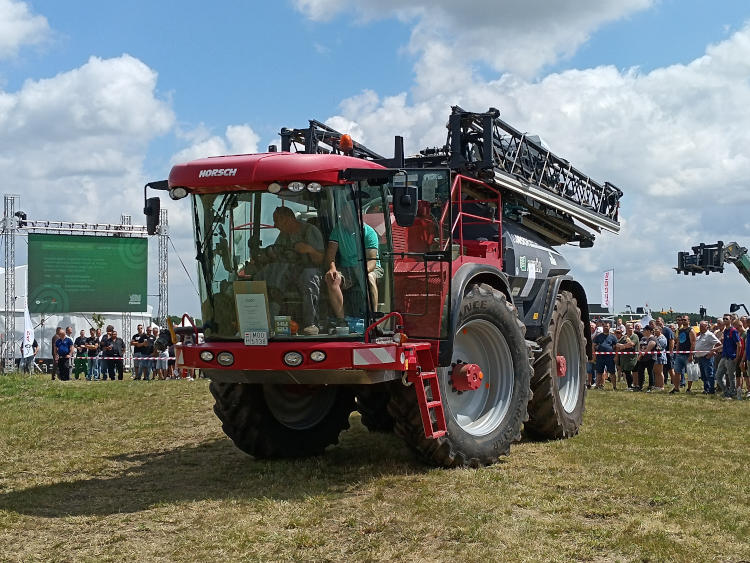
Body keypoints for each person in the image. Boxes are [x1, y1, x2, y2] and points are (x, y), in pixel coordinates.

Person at [250, 206, 324, 335]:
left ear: (289, 220)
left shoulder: (310, 231)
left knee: (309, 278)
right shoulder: (284, 235)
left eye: (277, 221)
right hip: (288, 270)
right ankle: (262, 321)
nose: (275, 225)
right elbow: (280, 251)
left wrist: (309, 250)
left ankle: (311, 323)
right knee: (267, 274)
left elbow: (321, 259)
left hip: (307, 269)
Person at [324, 214, 383, 328]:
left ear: (356, 217)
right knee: (331, 279)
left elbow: (372, 261)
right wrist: (332, 268)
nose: (342, 218)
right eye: (342, 215)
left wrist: (360, 273)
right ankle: (341, 321)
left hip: (369, 267)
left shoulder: (369, 232)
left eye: (347, 215)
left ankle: (373, 319)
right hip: (348, 269)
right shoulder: (338, 230)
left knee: (369, 278)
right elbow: (330, 254)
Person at [715, 315, 741, 398]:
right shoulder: (725, 331)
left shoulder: (733, 331)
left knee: (731, 376)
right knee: (718, 376)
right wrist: (715, 349)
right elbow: (724, 345)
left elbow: (739, 345)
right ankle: (726, 391)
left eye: (726, 319)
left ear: (731, 320)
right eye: (724, 319)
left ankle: (732, 392)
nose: (724, 320)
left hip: (731, 357)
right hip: (724, 356)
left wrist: (737, 357)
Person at [672, 316, 696, 394]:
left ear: (688, 321)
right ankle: (676, 388)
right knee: (677, 371)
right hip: (680, 355)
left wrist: (691, 355)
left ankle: (689, 389)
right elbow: (679, 341)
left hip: (687, 355)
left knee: (689, 372)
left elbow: (693, 343)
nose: (683, 321)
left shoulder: (691, 330)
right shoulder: (681, 330)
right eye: (682, 320)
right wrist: (677, 350)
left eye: (685, 320)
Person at [593, 322, 617, 389]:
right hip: (600, 357)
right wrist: (594, 355)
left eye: (607, 326)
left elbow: (616, 347)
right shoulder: (598, 336)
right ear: (602, 327)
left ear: (609, 327)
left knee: (612, 372)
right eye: (604, 326)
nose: (605, 328)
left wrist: (616, 356)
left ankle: (614, 387)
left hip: (610, 357)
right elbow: (593, 346)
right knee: (599, 372)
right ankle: (597, 385)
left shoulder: (613, 337)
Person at [632, 325, 657, 392]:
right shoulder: (643, 338)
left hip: (650, 358)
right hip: (642, 358)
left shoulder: (653, 339)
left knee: (650, 372)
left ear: (649, 331)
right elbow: (639, 346)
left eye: (644, 330)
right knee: (640, 371)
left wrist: (643, 353)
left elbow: (650, 347)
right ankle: (640, 386)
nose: (643, 332)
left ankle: (651, 386)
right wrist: (640, 353)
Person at [615, 324, 639, 389]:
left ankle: (631, 385)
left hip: (632, 357)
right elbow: (616, 344)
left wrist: (623, 346)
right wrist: (622, 345)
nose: (630, 330)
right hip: (624, 358)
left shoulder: (634, 336)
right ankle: (630, 385)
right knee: (626, 371)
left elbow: (631, 344)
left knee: (629, 371)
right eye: (628, 328)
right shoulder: (624, 337)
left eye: (631, 328)